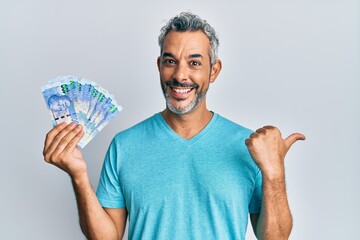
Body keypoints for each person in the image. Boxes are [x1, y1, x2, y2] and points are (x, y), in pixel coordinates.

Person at [43, 12, 305, 240]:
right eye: (170, 61)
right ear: (159, 66)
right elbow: (107, 237)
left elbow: (275, 238)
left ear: (213, 71)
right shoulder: (124, 146)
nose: (180, 75)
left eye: (194, 63)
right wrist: (78, 176)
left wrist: (274, 174)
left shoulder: (249, 146)